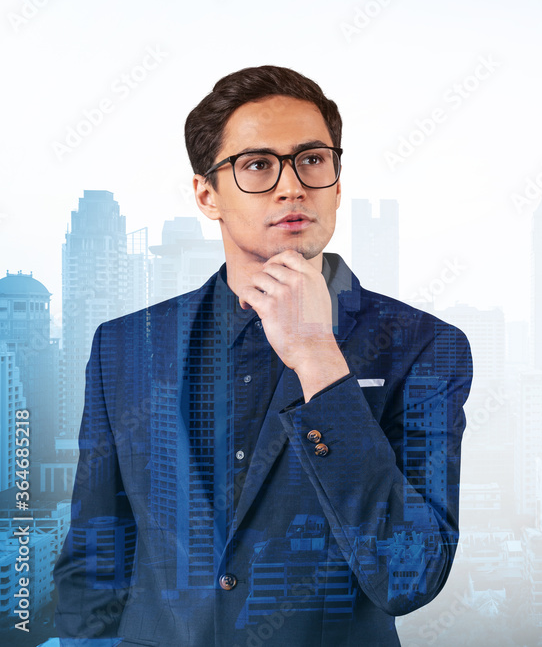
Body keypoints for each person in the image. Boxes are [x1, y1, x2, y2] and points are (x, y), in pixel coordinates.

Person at [53, 65, 474, 646]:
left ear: (337, 181)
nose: (291, 186)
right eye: (257, 165)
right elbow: (95, 558)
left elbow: (410, 573)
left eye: (312, 159)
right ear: (207, 194)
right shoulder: (125, 345)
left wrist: (319, 361)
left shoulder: (424, 345)